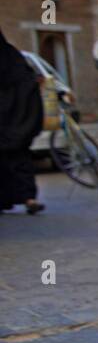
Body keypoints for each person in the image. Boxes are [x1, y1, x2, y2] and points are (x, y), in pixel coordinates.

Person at [0, 29, 46, 215]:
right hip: (17, 122)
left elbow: (28, 82)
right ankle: (28, 198)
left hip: (13, 122)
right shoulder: (13, 56)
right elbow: (29, 83)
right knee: (20, 159)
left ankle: (25, 198)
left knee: (16, 159)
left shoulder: (11, 58)